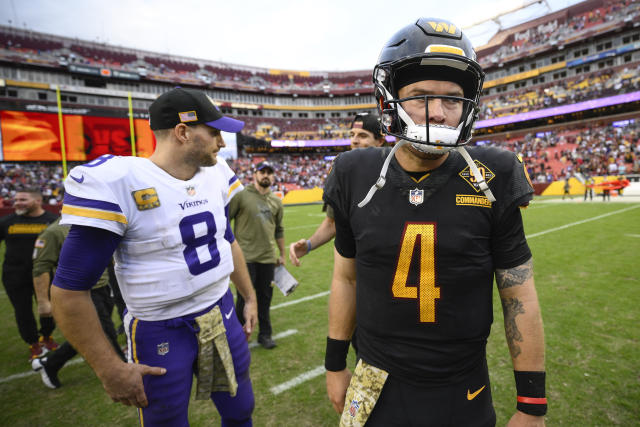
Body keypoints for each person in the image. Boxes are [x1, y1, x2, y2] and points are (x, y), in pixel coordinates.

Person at [323, 18, 546, 427]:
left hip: (461, 384)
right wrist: (335, 363)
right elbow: (346, 278)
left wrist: (531, 403)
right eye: (421, 96)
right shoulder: (352, 172)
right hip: (371, 376)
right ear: (389, 98)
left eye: (453, 99)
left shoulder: (492, 172)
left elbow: (519, 295)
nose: (440, 113)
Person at [50, 87, 258, 426]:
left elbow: (225, 238)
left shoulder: (217, 173)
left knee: (241, 409)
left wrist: (248, 296)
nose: (221, 142)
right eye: (214, 131)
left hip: (220, 311)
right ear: (183, 132)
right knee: (167, 422)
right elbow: (69, 291)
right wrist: (109, 367)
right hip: (161, 328)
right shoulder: (120, 182)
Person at [31, 218, 125, 389]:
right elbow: (41, 266)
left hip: (103, 286)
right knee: (105, 331)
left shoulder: (95, 221)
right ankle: (124, 371)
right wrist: (43, 301)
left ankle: (50, 363)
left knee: (91, 332)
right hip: (79, 292)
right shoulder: (54, 232)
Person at [289, 112, 386, 267]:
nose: (354, 140)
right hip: (354, 261)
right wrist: (308, 245)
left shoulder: (394, 170)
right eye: (352, 134)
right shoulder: (343, 172)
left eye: (362, 135)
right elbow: (332, 222)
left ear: (380, 140)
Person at [228, 161, 284, 349]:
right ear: (255, 175)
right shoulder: (242, 196)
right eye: (262, 172)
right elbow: (226, 221)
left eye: (269, 172)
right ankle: (238, 336)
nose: (266, 175)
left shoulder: (276, 201)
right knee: (244, 297)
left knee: (265, 297)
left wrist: (282, 254)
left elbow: (279, 230)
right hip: (245, 258)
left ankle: (265, 334)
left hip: (268, 258)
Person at [0, 188, 58, 360]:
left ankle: (47, 336)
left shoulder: (52, 221)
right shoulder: (7, 222)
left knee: (48, 308)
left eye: (23, 199)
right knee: (22, 311)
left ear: (38, 201)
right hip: (14, 275)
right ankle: (33, 343)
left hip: (45, 274)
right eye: (16, 199)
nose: (17, 203)